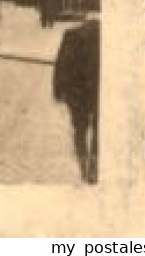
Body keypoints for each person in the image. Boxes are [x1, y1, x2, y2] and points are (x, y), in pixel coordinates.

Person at [53, 16, 99, 183]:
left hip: (77, 92)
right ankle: (94, 165)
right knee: (98, 128)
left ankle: (84, 163)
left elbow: (61, 63)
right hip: (96, 91)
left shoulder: (72, 34)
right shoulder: (106, 36)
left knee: (80, 129)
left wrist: (58, 91)